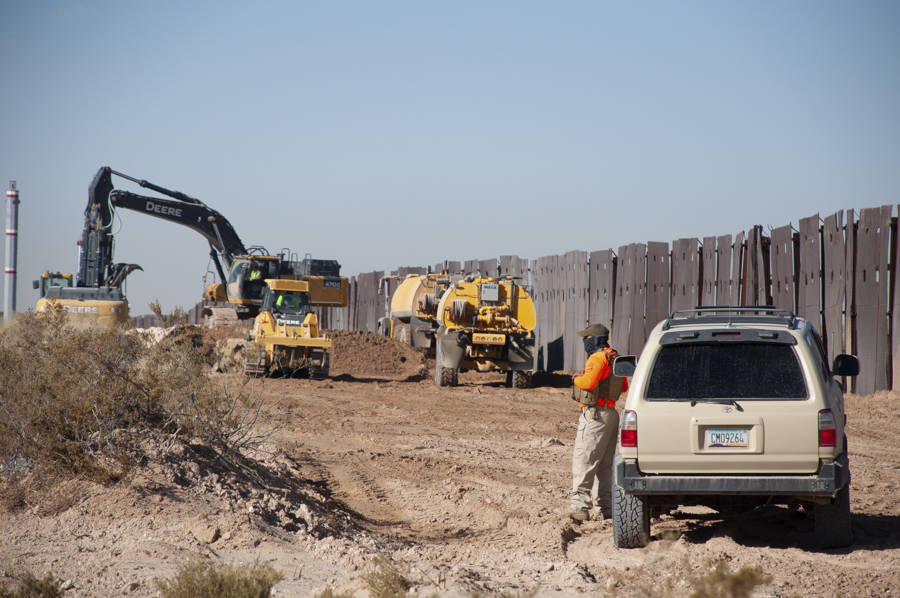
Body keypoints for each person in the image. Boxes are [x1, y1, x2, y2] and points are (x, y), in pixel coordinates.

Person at [569, 323, 628, 523]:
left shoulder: (597, 358)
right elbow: (625, 385)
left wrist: (576, 378)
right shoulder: (614, 357)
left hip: (595, 416)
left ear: (593, 339)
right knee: (605, 465)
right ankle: (606, 507)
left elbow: (588, 383)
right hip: (611, 414)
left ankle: (580, 507)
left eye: (586, 339)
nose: (584, 342)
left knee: (584, 461)